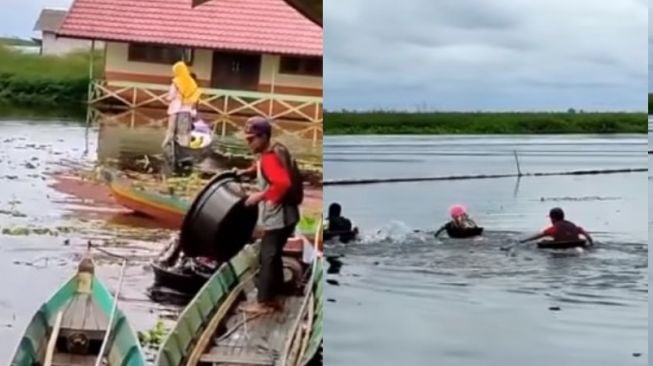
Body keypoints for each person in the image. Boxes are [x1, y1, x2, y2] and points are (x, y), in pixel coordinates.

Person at [238, 116, 303, 314]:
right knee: (272, 256)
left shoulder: (270, 158)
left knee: (267, 256)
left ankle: (264, 302)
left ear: (264, 137)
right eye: (247, 138)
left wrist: (260, 195)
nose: (249, 142)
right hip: (288, 215)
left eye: (252, 139)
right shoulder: (272, 151)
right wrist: (247, 172)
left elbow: (282, 183)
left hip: (280, 216)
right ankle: (275, 293)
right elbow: (266, 171)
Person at [162, 61, 201, 149]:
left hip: (175, 110)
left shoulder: (176, 83)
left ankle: (168, 147)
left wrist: (166, 98)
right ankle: (184, 149)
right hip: (187, 111)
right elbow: (195, 95)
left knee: (171, 131)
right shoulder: (192, 83)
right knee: (184, 132)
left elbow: (171, 96)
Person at [520, 207, 594, 245]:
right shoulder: (573, 226)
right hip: (576, 245)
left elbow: (539, 236)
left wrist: (524, 241)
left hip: (559, 247)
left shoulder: (554, 228)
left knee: (543, 241)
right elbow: (587, 236)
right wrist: (591, 244)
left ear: (553, 219)